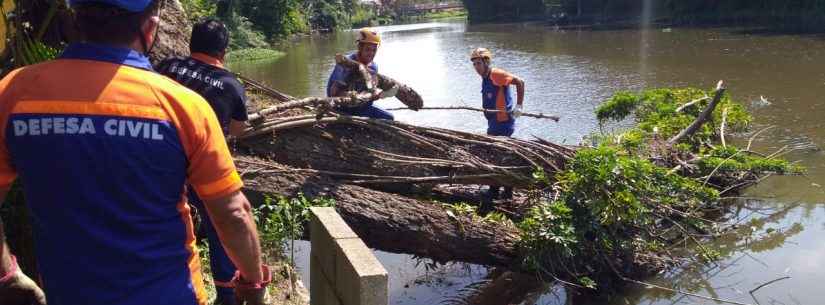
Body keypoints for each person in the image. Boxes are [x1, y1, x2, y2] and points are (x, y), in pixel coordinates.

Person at [0, 1, 268, 305]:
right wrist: (253, 282)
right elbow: (234, 214)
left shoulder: (14, 93)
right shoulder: (182, 107)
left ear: (74, 18)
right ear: (150, 27)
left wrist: (7, 274)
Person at [156, 18, 248, 305]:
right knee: (221, 225)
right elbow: (237, 130)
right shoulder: (231, 84)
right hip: (201, 166)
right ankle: (226, 293)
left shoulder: (168, 66)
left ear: (191, 44)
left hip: (159, 164)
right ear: (223, 50)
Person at [470, 47, 525, 204]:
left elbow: (520, 82)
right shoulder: (486, 77)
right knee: (500, 155)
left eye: (479, 63)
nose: (476, 67)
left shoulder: (496, 74)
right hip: (494, 122)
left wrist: (519, 106)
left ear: (486, 62)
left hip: (503, 122)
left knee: (496, 155)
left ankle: (498, 191)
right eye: (474, 64)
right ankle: (505, 191)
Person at [326, 27, 395, 120]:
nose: (371, 53)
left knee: (389, 118)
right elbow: (333, 93)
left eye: (374, 50)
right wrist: (352, 96)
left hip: (362, 108)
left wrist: (376, 94)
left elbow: (371, 90)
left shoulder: (373, 67)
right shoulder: (346, 63)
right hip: (342, 109)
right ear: (360, 47)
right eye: (368, 49)